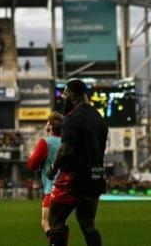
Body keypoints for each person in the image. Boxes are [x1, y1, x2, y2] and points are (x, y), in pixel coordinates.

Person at [46, 79, 108, 246]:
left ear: (72, 95)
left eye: (65, 94)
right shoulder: (99, 117)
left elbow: (65, 150)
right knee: (88, 224)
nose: (63, 98)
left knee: (55, 220)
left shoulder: (71, 118)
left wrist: (53, 168)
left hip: (75, 175)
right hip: (97, 173)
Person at [27, 111, 64, 234]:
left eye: (48, 122)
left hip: (52, 191)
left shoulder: (45, 142)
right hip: (66, 189)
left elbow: (32, 165)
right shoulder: (66, 142)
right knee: (60, 224)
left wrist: (32, 155)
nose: (46, 124)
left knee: (46, 224)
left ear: (52, 126)